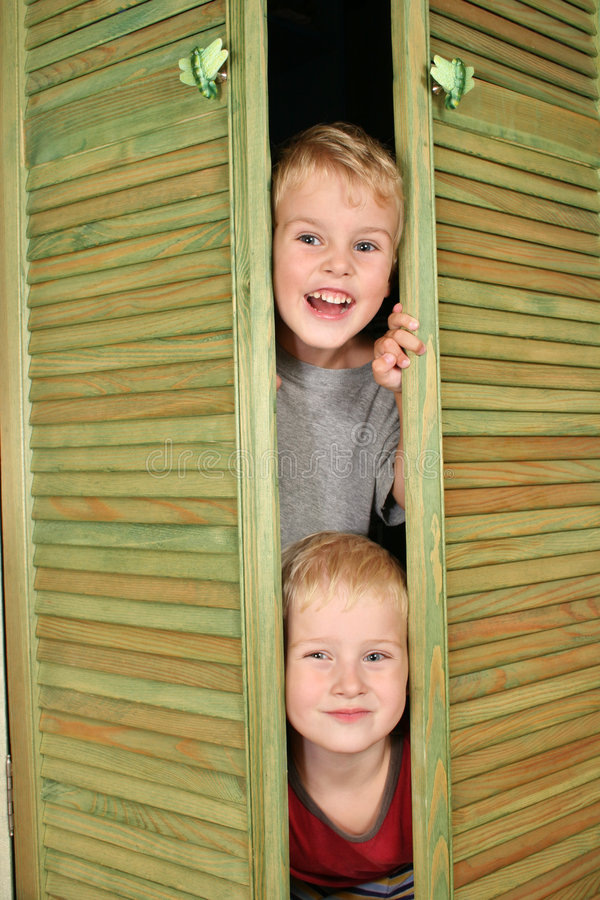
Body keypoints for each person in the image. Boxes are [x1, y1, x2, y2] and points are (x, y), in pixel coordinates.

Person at [272, 122, 426, 548]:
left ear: (391, 273)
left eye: (365, 246)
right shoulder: (239, 355)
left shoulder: (383, 384)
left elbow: (416, 498)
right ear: (269, 247)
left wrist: (405, 394)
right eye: (310, 238)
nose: (339, 264)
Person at [282, 531, 413, 900]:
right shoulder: (256, 779)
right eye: (318, 655)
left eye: (374, 656)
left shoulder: (431, 767)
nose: (350, 685)